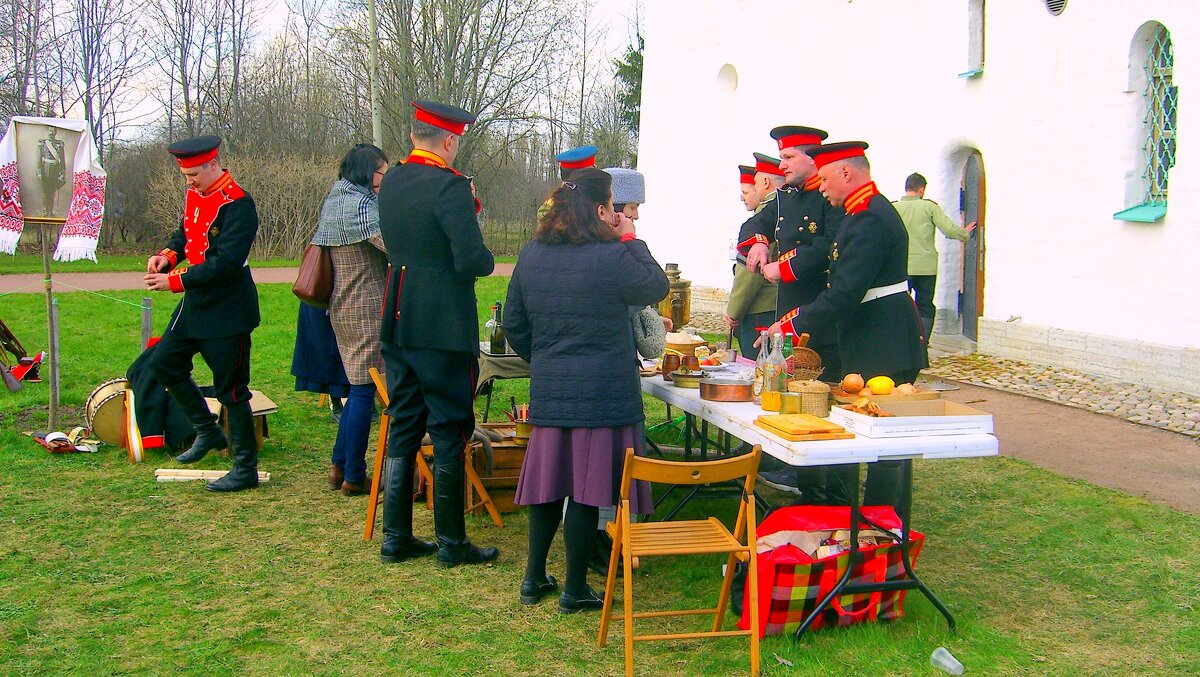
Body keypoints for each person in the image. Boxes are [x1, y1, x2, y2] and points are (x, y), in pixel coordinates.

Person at [504, 167, 668, 612]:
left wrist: (547, 360)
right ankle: (574, 589)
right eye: (614, 206)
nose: (618, 214)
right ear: (600, 209)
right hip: (602, 395)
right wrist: (631, 237)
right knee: (583, 490)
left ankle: (533, 578)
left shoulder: (532, 254)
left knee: (548, 484)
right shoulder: (613, 255)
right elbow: (657, 284)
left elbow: (514, 323)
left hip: (554, 388)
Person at [376, 100, 498, 567]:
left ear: (413, 137)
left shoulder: (393, 181)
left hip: (399, 317)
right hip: (442, 323)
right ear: (450, 141)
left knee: (405, 421)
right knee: (449, 426)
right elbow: (471, 259)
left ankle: (396, 536)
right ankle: (451, 542)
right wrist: (485, 260)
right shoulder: (450, 187)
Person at [784, 141, 927, 512]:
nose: (823, 186)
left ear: (847, 173)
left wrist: (793, 325)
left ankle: (885, 525)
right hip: (869, 334)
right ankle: (846, 514)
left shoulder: (870, 217)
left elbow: (846, 291)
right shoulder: (857, 213)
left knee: (887, 441)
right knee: (855, 428)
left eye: (827, 178)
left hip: (885, 338)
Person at [144, 135, 261, 493]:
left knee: (232, 391)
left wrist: (175, 282)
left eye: (194, 173)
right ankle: (207, 430)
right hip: (196, 304)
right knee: (163, 362)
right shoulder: (196, 193)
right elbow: (187, 233)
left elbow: (224, 263)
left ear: (213, 165)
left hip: (228, 308)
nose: (189, 181)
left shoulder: (239, 204)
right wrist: (168, 255)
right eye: (185, 175)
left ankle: (245, 468)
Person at [311, 143, 391, 496]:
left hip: (342, 305)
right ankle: (354, 475)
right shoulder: (360, 205)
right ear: (367, 172)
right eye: (382, 173)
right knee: (363, 392)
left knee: (356, 388)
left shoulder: (335, 199)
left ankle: (338, 466)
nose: (384, 180)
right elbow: (390, 244)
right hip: (365, 307)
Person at [744, 125, 844, 381]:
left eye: (788, 158)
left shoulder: (829, 196)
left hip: (820, 308)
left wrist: (783, 267)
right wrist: (759, 243)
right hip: (787, 306)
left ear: (811, 158)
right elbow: (753, 224)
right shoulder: (785, 197)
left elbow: (831, 243)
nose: (782, 166)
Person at [892, 172, 975, 354]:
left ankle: (900, 342)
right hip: (925, 265)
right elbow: (948, 229)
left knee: (900, 304)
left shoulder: (894, 208)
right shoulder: (929, 207)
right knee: (925, 304)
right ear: (922, 189)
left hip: (900, 265)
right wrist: (965, 233)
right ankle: (921, 344)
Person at [726, 153, 782, 361]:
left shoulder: (766, 215)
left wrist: (734, 311)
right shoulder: (782, 210)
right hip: (775, 306)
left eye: (752, 186)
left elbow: (750, 272)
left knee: (758, 368)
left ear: (765, 182)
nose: (743, 197)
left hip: (762, 308)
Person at [290, 304, 351, 425]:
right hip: (321, 298)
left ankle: (366, 401)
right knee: (328, 347)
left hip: (350, 298)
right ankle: (336, 404)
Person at [36, 128, 66, 217]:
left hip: (55, 169)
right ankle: (45, 210)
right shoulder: (43, 143)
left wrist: (62, 172)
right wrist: (39, 171)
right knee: (46, 190)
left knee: (52, 190)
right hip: (45, 168)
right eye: (49, 131)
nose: (51, 133)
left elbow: (62, 160)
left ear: (55, 132)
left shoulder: (59, 144)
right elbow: (38, 159)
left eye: (53, 131)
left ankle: (50, 211)